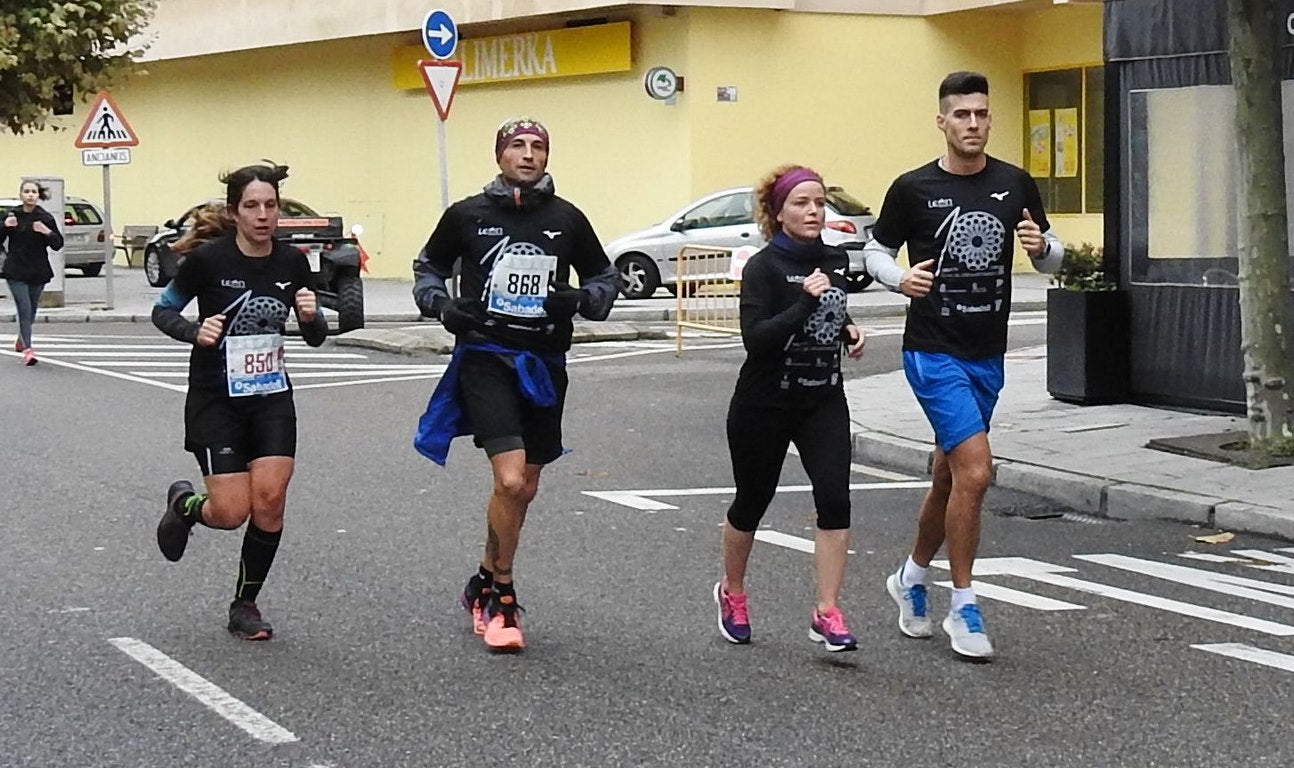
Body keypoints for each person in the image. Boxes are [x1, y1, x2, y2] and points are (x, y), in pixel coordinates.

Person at [862, 71, 1063, 660]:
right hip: (932, 349)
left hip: (987, 353)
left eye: (981, 114)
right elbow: (875, 249)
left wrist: (1042, 249)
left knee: (949, 477)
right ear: (942, 122)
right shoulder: (913, 188)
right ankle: (965, 606)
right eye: (961, 115)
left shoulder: (1014, 181)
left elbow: (1051, 256)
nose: (972, 124)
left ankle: (911, 577)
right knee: (976, 472)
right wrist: (900, 278)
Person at [412, 117, 620, 653]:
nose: (528, 155)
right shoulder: (466, 215)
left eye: (538, 147)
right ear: (499, 154)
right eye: (517, 146)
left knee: (525, 486)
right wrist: (443, 306)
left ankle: (483, 576)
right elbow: (427, 268)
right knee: (508, 481)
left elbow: (604, 278)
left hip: (545, 363)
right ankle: (502, 594)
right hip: (486, 357)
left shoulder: (566, 218)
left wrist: (577, 301)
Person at [151, 163, 329, 640]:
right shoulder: (208, 262)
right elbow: (162, 309)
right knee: (230, 513)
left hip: (270, 395)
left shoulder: (293, 262)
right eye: (252, 206)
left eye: (271, 205)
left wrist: (311, 318)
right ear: (234, 212)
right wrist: (194, 330)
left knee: (270, 499)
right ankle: (185, 506)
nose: (263, 215)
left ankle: (245, 604)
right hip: (216, 398)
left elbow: (314, 337)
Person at [712, 165, 867, 652]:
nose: (814, 211)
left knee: (835, 500)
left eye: (819, 202)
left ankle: (827, 611)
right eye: (801, 203)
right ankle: (732, 592)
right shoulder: (763, 267)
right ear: (778, 213)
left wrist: (847, 329)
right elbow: (756, 340)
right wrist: (803, 303)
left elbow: (832, 306)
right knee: (752, 502)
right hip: (765, 402)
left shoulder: (835, 257)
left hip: (822, 398)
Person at [0, 180, 65, 365]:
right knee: (24, 308)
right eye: (26, 191)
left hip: (38, 270)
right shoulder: (12, 215)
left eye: (34, 192)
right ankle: (28, 350)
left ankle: (22, 339)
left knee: (33, 308)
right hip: (16, 269)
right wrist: (5, 226)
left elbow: (58, 244)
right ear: (21, 194)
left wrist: (46, 232)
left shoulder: (45, 218)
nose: (30, 195)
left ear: (38, 195)